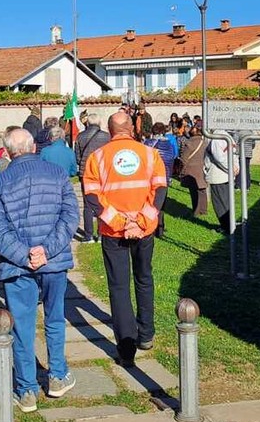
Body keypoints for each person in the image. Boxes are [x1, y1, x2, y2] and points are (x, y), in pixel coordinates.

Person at [0, 128, 79, 413]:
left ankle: (27, 389)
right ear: (33, 147)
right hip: (53, 260)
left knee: (22, 325)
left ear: (8, 152)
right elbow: (70, 217)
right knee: (55, 317)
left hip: (17, 264)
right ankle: (57, 375)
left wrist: (24, 255)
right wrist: (46, 250)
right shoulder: (58, 175)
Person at [82, 111, 167, 368]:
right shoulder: (150, 155)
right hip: (144, 230)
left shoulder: (97, 157)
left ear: (110, 130)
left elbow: (92, 197)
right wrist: (140, 221)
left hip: (113, 232)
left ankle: (127, 349)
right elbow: (160, 190)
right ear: (132, 128)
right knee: (144, 278)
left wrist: (120, 222)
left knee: (119, 287)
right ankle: (146, 334)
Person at [75, 112, 110, 243]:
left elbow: (77, 157)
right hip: (102, 173)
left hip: (85, 173)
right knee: (102, 202)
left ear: (87, 123)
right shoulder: (107, 137)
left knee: (87, 205)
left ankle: (88, 235)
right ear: (99, 122)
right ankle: (101, 234)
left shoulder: (80, 136)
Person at [205, 135, 239, 234]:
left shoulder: (216, 138)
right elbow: (235, 154)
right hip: (227, 174)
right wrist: (235, 167)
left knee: (219, 203)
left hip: (218, 175)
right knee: (226, 202)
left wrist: (231, 168)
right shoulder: (228, 136)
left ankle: (226, 226)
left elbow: (219, 158)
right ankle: (229, 224)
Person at [178, 128, 209, 216]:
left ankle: (196, 210)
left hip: (191, 170)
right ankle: (203, 210)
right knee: (202, 190)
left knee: (194, 191)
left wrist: (181, 168)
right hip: (203, 169)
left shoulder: (189, 143)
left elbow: (184, 158)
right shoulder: (205, 142)